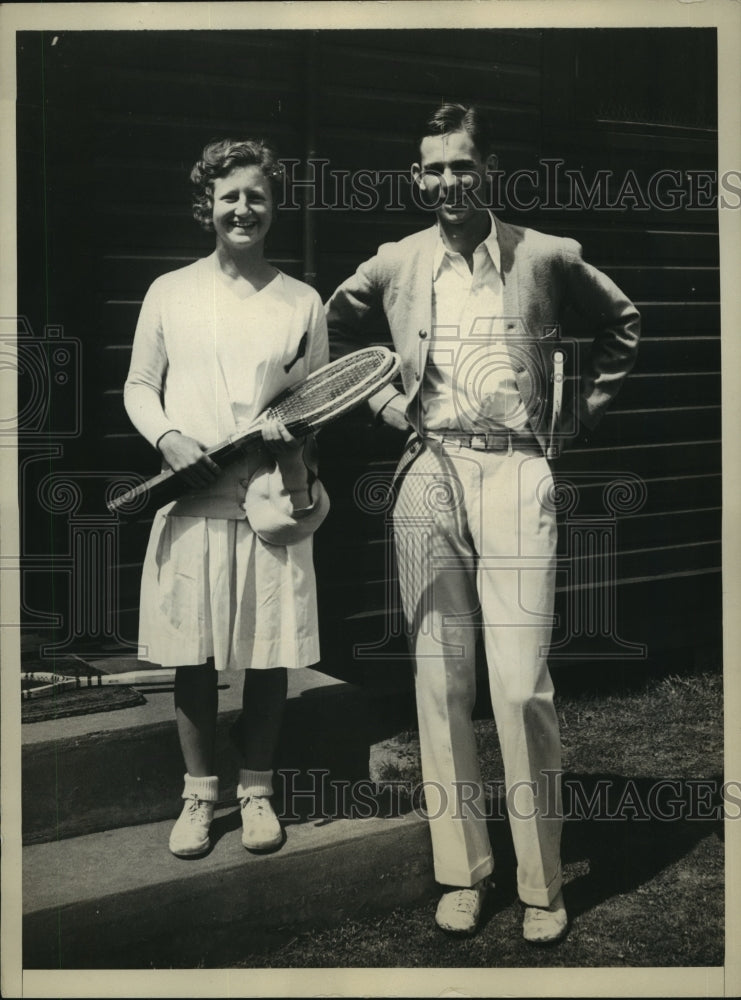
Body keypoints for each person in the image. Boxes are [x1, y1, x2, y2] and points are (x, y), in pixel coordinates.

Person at [325, 103, 640, 941]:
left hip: (515, 468)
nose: (446, 182)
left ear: (487, 170)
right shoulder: (397, 262)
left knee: (518, 684)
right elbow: (332, 332)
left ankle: (542, 886)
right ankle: (462, 873)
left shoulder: (543, 254)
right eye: (432, 168)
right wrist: (389, 406)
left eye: (461, 166)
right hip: (429, 468)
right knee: (440, 682)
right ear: (417, 177)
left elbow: (621, 325)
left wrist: (571, 420)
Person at [124, 138, 330, 859]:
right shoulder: (168, 292)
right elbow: (139, 386)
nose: (242, 208)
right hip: (192, 501)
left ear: (273, 205)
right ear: (205, 206)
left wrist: (287, 442)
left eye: (256, 196)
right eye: (229, 196)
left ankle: (257, 791)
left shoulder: (301, 301)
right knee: (195, 656)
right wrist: (170, 439)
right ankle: (198, 794)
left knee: (269, 655)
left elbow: (316, 403)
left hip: (266, 501)